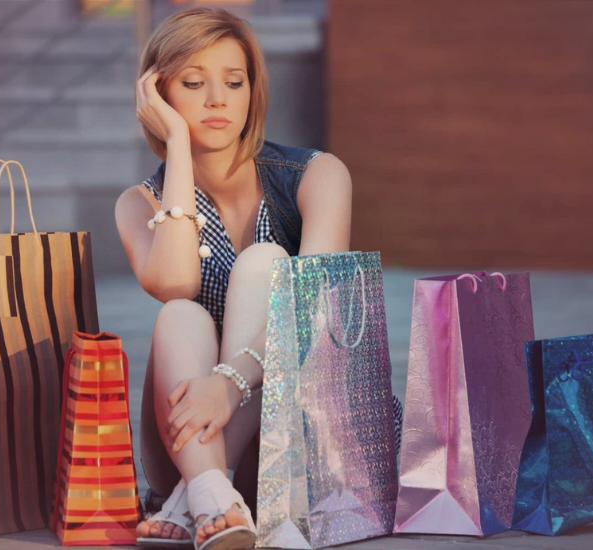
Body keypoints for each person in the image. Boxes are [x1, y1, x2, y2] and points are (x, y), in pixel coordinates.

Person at [115, 7, 401, 550]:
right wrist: (177, 146)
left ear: (253, 90)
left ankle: (205, 498)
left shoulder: (316, 175)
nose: (217, 100)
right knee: (180, 313)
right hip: (184, 439)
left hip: (302, 440)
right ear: (158, 94)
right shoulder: (137, 204)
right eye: (193, 83)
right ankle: (210, 487)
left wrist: (229, 385)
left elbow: (314, 309)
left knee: (265, 262)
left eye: (234, 81)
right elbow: (175, 283)